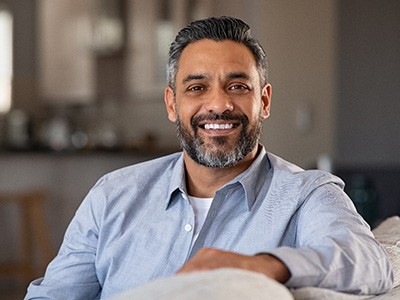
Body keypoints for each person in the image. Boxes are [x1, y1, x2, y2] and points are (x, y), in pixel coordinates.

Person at [25, 16, 393, 299]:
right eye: (197, 88)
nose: (218, 104)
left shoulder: (307, 194)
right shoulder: (113, 194)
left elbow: (370, 262)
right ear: (172, 103)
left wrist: (261, 265)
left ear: (263, 101)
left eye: (237, 86)